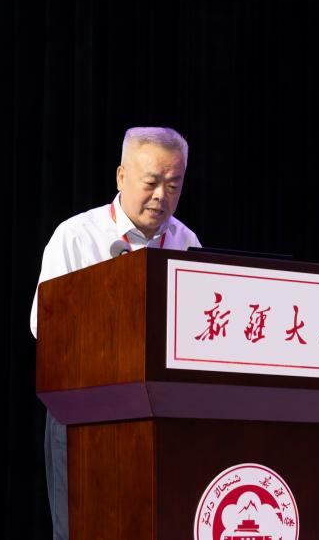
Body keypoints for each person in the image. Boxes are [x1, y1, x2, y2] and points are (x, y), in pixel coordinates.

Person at [30, 127, 201, 539]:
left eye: (173, 185)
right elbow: (44, 327)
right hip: (85, 409)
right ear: (121, 177)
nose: (161, 196)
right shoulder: (76, 236)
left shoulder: (186, 242)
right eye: (151, 182)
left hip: (161, 416)